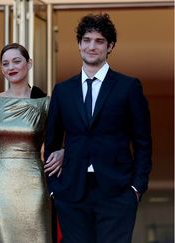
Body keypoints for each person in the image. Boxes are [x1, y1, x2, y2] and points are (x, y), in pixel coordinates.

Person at [44, 13, 152, 243]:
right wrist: (55, 189)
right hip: (72, 192)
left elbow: (143, 142)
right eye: (87, 40)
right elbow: (52, 142)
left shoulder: (128, 87)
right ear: (79, 44)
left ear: (110, 46)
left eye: (99, 41)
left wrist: (136, 188)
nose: (92, 46)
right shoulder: (63, 91)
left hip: (117, 191)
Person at [0, 43, 64, 243]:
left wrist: (63, 152)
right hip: (0, 188)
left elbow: (71, 135)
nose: (11, 67)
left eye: (16, 61)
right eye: (5, 63)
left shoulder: (46, 103)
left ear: (29, 64)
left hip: (35, 187)